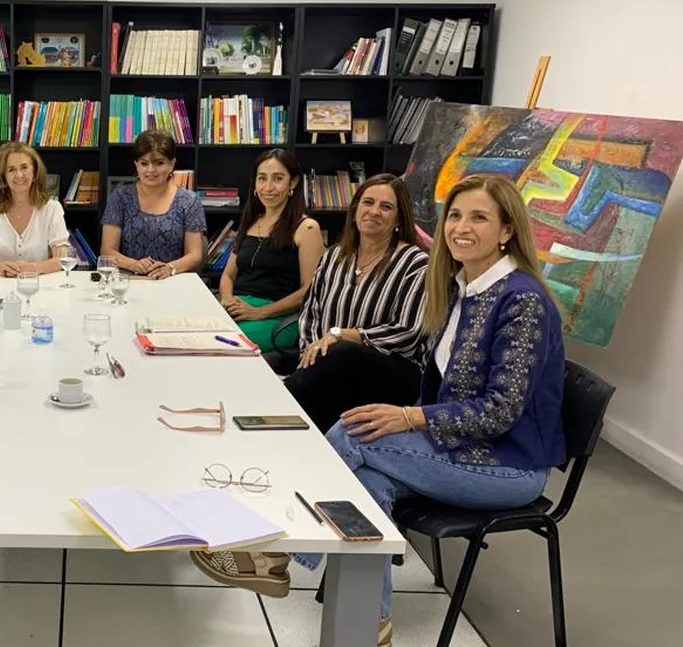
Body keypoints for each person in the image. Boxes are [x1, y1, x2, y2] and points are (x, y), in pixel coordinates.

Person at [191, 174, 565, 646]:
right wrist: (410, 419)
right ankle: (370, 623)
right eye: (454, 215)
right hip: (453, 446)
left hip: (507, 464)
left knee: (351, 433)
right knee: (366, 484)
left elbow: (500, 411)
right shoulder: (463, 288)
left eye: (478, 217)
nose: (461, 227)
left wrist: (409, 418)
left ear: (507, 230)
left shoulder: (521, 301)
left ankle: (273, 554)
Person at [285, 174, 429, 431]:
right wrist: (312, 351)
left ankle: (277, 405)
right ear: (355, 211)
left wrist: (344, 335)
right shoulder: (334, 256)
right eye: (368, 203)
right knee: (325, 371)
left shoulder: (415, 263)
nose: (374, 211)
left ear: (399, 219)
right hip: (331, 370)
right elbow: (311, 313)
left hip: (393, 373)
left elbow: (408, 332)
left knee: (342, 351)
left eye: (386, 207)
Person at [218, 149, 323, 351]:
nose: (268, 187)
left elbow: (309, 291)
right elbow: (228, 275)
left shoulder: (307, 228)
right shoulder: (251, 221)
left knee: (221, 342)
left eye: (278, 179)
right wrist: (228, 300)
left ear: (293, 182)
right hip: (238, 309)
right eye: (262, 178)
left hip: (278, 317)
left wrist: (259, 312)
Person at [100, 129, 206, 280]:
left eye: (159, 163)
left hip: (171, 281)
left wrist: (170, 268)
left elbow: (195, 255)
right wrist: (134, 265)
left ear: (172, 164)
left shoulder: (189, 201)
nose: (151, 170)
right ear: (136, 165)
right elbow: (107, 251)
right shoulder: (120, 197)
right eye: (144, 163)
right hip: (128, 281)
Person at [0, 141, 72, 276]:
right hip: (0, 282)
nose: (19, 175)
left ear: (34, 172)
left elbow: (61, 258)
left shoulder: (52, 209)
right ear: (3, 177)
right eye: (11, 170)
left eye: (24, 167)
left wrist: (32, 269)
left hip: (40, 283)